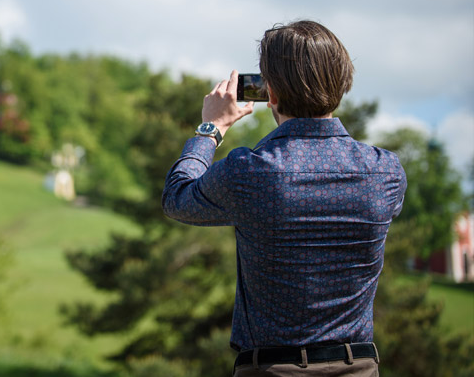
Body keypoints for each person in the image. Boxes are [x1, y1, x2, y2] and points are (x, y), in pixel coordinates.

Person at [162, 21, 406, 376]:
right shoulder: (386, 173)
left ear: (269, 93)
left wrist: (210, 129)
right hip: (359, 368)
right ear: (343, 84)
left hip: (272, 369)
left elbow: (177, 196)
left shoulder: (249, 173)